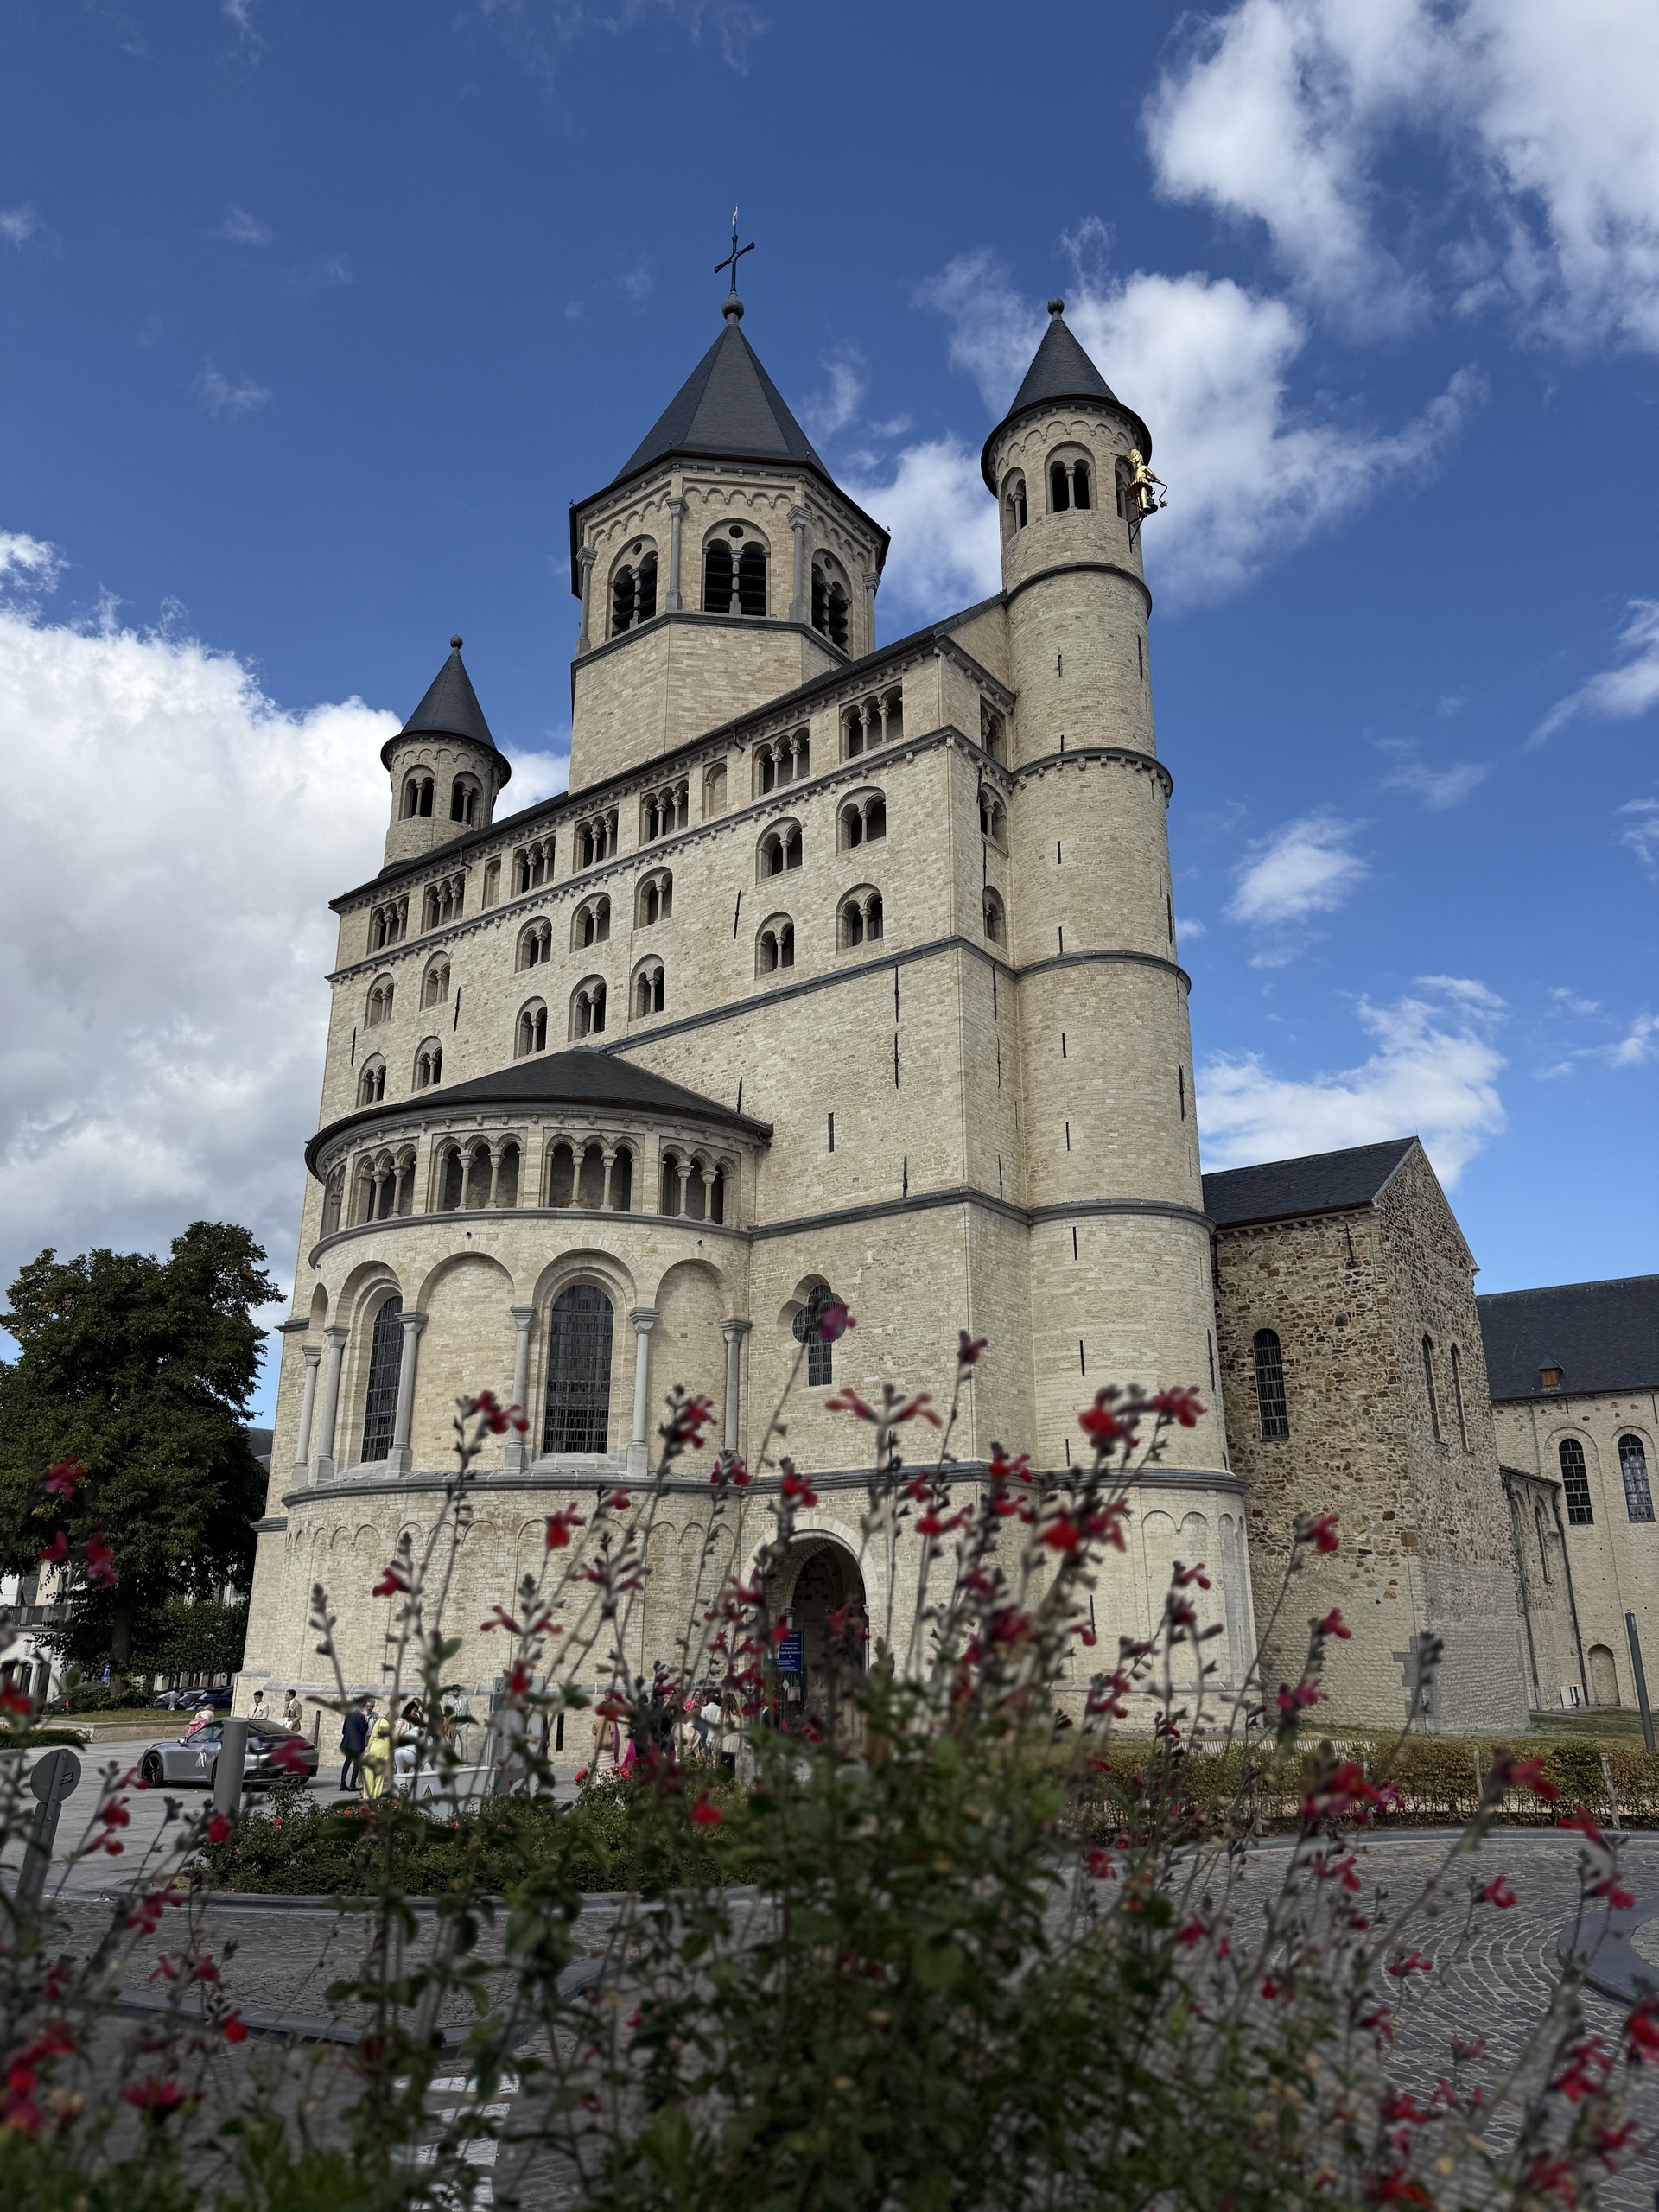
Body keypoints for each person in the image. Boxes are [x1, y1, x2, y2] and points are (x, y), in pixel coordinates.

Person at [340, 1697, 372, 1792]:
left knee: (347, 1763)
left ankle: (343, 1782)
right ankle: (352, 1784)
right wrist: (366, 1723)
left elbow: (344, 1730)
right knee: (356, 1765)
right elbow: (364, 1730)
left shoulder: (348, 1715)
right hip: (357, 1744)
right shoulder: (361, 1717)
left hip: (347, 1743)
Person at [361, 1707, 393, 1800]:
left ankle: (367, 1794)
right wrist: (388, 1757)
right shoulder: (388, 1726)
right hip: (382, 1749)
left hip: (374, 1747)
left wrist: (368, 1748)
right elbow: (387, 1742)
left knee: (369, 1772)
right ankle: (376, 1794)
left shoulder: (379, 1722)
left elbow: (372, 1736)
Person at [394, 1700, 422, 1791]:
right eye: (414, 1710)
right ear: (409, 1710)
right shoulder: (401, 1720)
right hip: (403, 1747)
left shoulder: (413, 1723)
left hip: (407, 1748)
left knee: (403, 1770)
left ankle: (406, 1788)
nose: (415, 1713)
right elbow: (395, 1735)